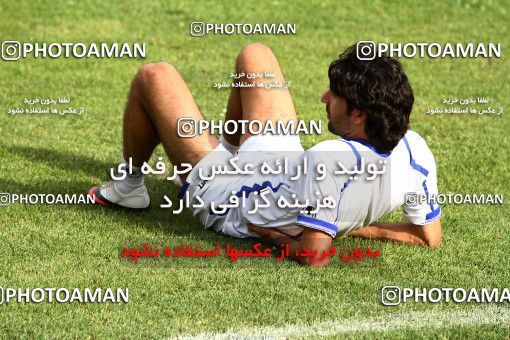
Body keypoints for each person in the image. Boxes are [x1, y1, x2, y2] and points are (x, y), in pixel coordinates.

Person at [89, 42, 442, 267]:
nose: (323, 98)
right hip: (285, 169)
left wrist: (278, 238)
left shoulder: (328, 161)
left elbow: (315, 255)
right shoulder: (416, 150)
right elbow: (427, 236)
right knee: (254, 55)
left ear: (359, 116)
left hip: (227, 196)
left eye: (334, 95)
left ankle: (129, 187)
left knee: (154, 75)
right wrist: (355, 226)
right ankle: (226, 151)